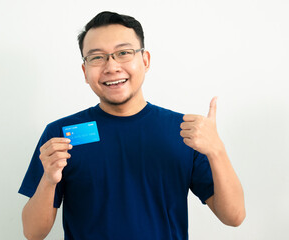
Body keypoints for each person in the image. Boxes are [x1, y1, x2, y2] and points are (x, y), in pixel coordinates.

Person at [18, 11, 245, 240]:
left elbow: (234, 217)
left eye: (123, 53)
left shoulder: (184, 131)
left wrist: (217, 151)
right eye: (97, 57)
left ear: (145, 61)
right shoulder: (61, 135)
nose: (111, 66)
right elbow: (33, 233)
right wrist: (48, 180)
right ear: (85, 71)